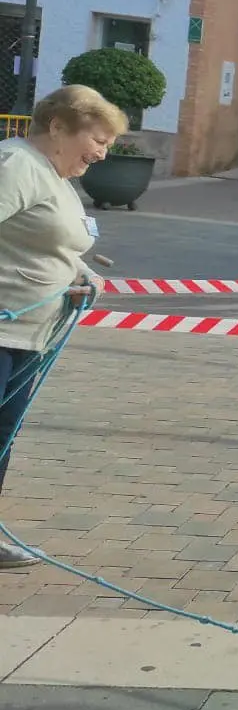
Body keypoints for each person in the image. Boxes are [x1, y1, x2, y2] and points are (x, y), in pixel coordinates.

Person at [0, 86, 123, 568]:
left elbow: (56, 247)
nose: (102, 152)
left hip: (30, 334)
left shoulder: (55, 176)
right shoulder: (17, 165)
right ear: (57, 127)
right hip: (4, 330)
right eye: (98, 140)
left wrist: (80, 275)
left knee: (2, 440)